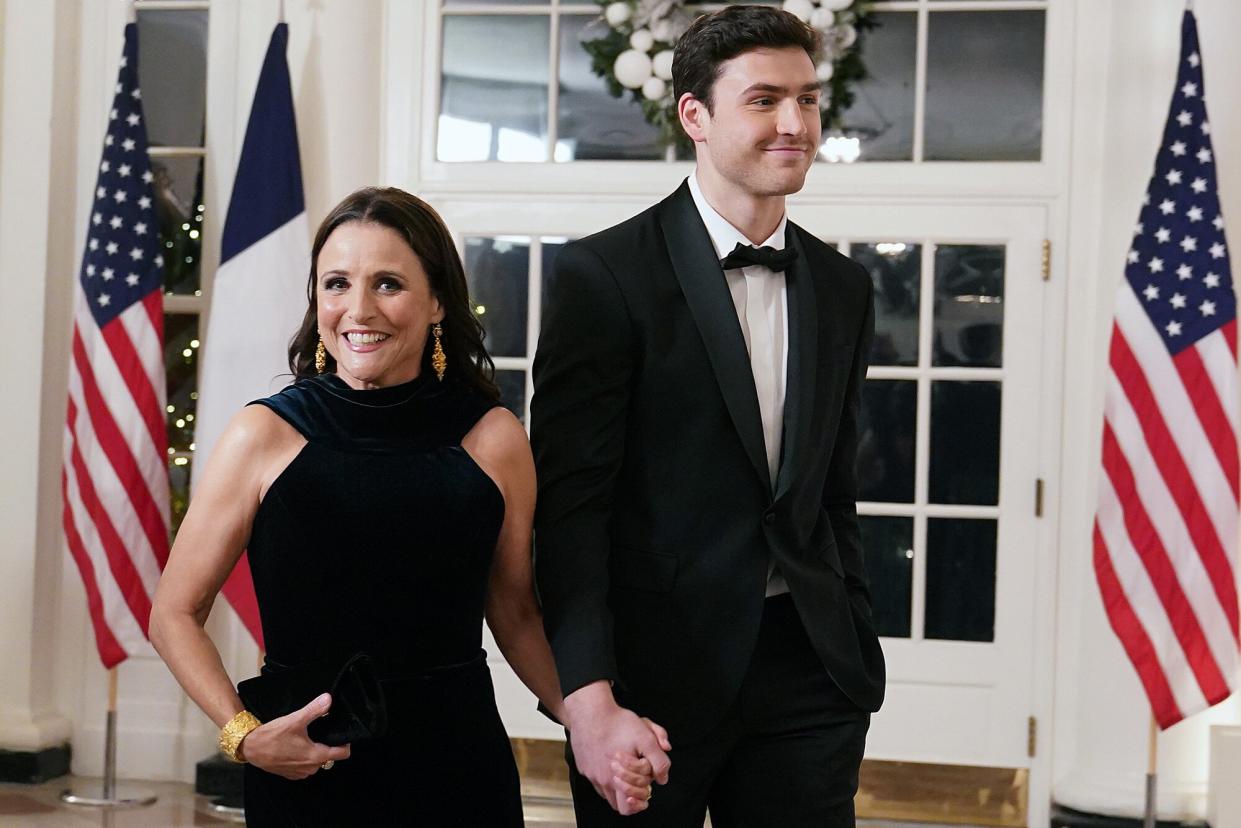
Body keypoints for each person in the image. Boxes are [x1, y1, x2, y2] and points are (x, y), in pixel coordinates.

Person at [150, 187, 656, 825]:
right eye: (337, 284)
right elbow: (173, 612)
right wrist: (242, 736)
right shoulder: (262, 435)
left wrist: (594, 721)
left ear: (437, 300)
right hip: (311, 767)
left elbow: (516, 611)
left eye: (388, 283)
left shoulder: (493, 438)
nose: (358, 309)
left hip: (458, 765)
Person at [531, 6, 886, 826]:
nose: (794, 123)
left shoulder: (843, 289)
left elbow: (832, 491)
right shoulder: (604, 275)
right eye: (764, 99)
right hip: (650, 683)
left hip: (810, 677)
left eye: (806, 99)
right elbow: (570, 508)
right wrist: (585, 698)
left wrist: (851, 635)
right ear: (695, 115)